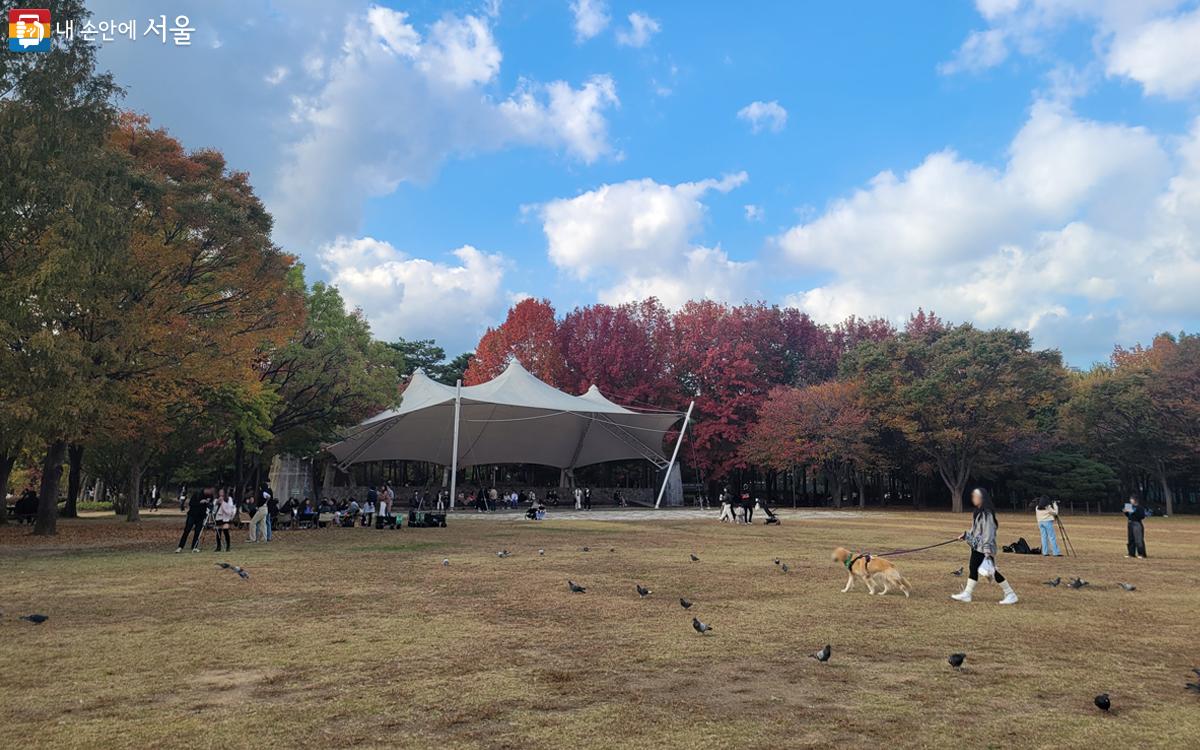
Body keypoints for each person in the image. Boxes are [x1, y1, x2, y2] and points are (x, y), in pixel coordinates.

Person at [952, 488, 1019, 605]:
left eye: (976, 496)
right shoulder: (978, 513)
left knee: (992, 572)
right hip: (977, 547)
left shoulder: (987, 514)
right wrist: (966, 535)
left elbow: (988, 533)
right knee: (973, 568)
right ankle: (967, 594)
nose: (974, 498)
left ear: (982, 498)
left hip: (984, 548)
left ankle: (1010, 594)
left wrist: (987, 552)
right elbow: (975, 531)